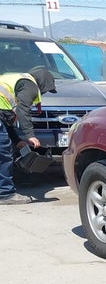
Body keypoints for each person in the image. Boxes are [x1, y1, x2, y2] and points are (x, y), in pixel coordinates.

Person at [0, 66, 56, 205]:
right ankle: (5, 194)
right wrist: (30, 135)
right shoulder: (30, 85)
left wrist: (17, 140)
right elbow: (22, 110)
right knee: (4, 154)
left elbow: (6, 119)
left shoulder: (15, 81)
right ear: (43, 83)